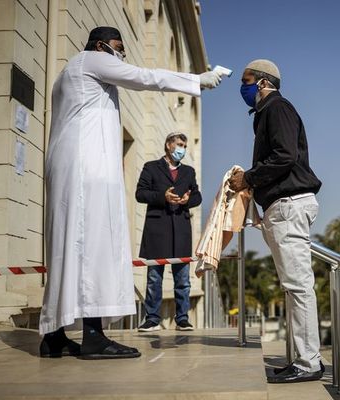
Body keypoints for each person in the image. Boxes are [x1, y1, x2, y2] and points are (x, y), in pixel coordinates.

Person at [38, 26, 223, 360]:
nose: (120, 54)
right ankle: (94, 338)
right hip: (86, 169)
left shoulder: (67, 72)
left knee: (67, 247)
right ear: (100, 45)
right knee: (92, 244)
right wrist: (197, 81)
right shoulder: (92, 60)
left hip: (70, 166)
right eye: (117, 47)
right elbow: (145, 77)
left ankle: (54, 335)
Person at [229, 59, 324, 384]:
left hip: (289, 204)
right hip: (280, 206)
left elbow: (285, 156)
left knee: (299, 287)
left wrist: (249, 178)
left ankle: (309, 363)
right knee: (293, 287)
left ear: (263, 82)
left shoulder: (277, 108)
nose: (242, 87)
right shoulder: (267, 112)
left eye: (246, 80)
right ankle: (301, 358)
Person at [135, 132, 201, 332]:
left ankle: (182, 318)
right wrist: (162, 197)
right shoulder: (151, 168)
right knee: (154, 278)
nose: (182, 149)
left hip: (180, 230)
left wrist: (187, 200)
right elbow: (140, 193)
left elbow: (197, 196)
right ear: (168, 145)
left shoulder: (189, 172)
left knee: (182, 279)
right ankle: (152, 318)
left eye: (185, 145)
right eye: (180, 144)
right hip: (157, 230)